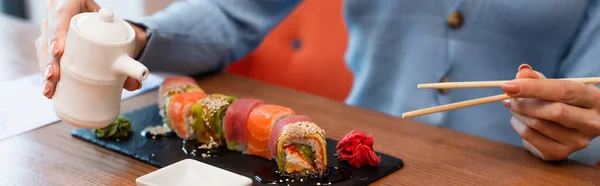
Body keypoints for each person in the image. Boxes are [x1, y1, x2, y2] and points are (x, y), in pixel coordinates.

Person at [36, 0, 600, 166]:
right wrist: (129, 37)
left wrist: (582, 122)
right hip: (360, 158)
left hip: (527, 172)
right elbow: (236, 12)